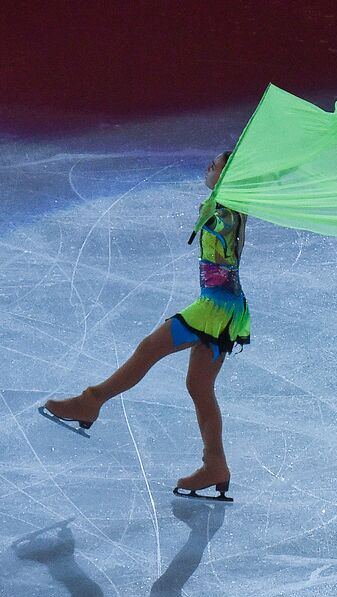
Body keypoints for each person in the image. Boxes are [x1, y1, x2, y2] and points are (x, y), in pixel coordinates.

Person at [41, 150, 249, 500]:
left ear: (229, 177)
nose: (209, 166)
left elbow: (223, 220)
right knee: (199, 387)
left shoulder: (227, 209)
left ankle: (91, 401)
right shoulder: (223, 205)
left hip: (215, 307)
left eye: (217, 165)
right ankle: (216, 464)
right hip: (228, 308)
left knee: (149, 348)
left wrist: (223, 194)